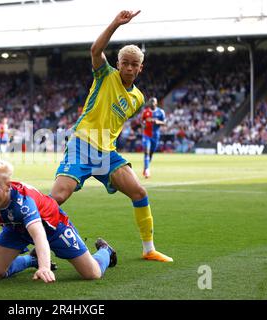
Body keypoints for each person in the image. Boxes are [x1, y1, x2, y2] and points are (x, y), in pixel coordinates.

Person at [50, 10, 172, 262]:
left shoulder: (138, 99)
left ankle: (149, 249)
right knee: (58, 196)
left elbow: (114, 122)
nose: (128, 67)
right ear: (118, 64)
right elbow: (95, 50)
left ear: (140, 68)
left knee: (139, 192)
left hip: (106, 153)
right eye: (124, 62)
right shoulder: (105, 75)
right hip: (82, 144)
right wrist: (116, 24)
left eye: (133, 64)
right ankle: (23, 236)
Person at [141, 97, 166, 178]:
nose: (151, 103)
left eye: (153, 102)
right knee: (146, 152)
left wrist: (157, 122)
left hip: (155, 135)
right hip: (146, 134)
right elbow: (142, 121)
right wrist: (143, 125)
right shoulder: (145, 112)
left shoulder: (160, 112)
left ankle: (146, 167)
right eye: (150, 101)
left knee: (151, 153)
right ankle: (147, 170)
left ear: (156, 103)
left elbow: (164, 122)